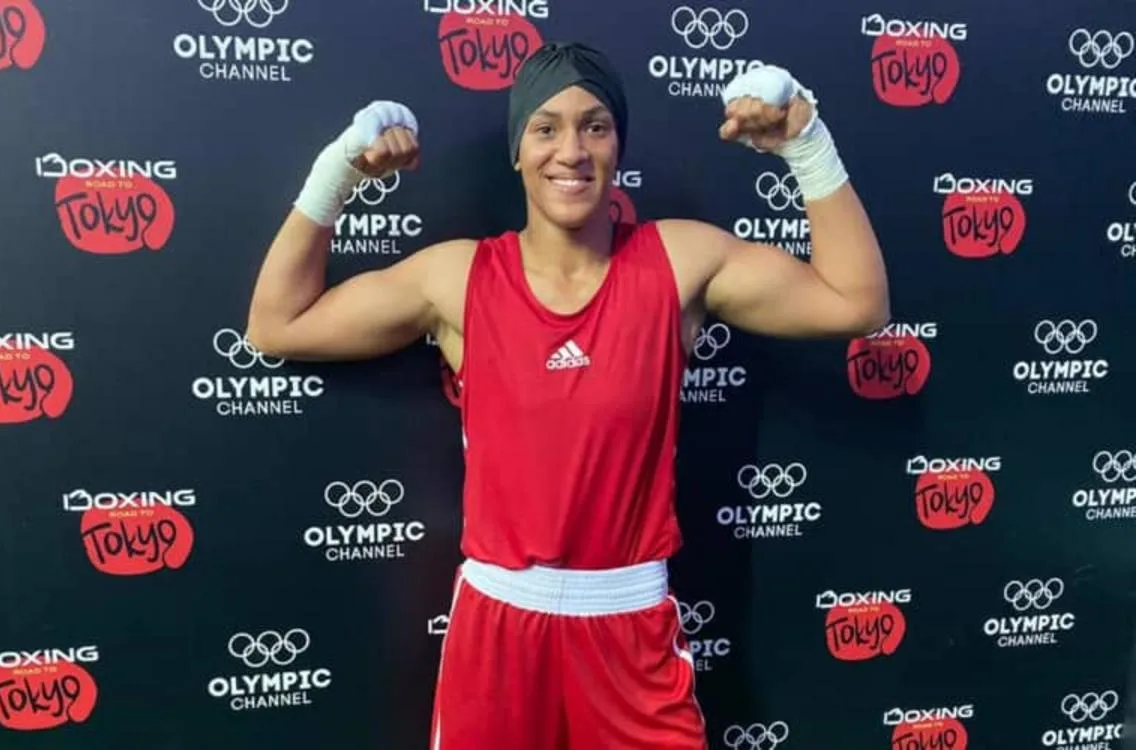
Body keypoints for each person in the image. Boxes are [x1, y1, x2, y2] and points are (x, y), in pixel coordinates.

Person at [246, 41, 888, 750]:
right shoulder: (459, 279)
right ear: (518, 151)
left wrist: (805, 141)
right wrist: (337, 171)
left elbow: (856, 304)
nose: (572, 151)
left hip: (630, 635)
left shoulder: (678, 263)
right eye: (545, 128)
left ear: (618, 146)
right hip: (497, 637)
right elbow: (277, 324)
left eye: (595, 126)